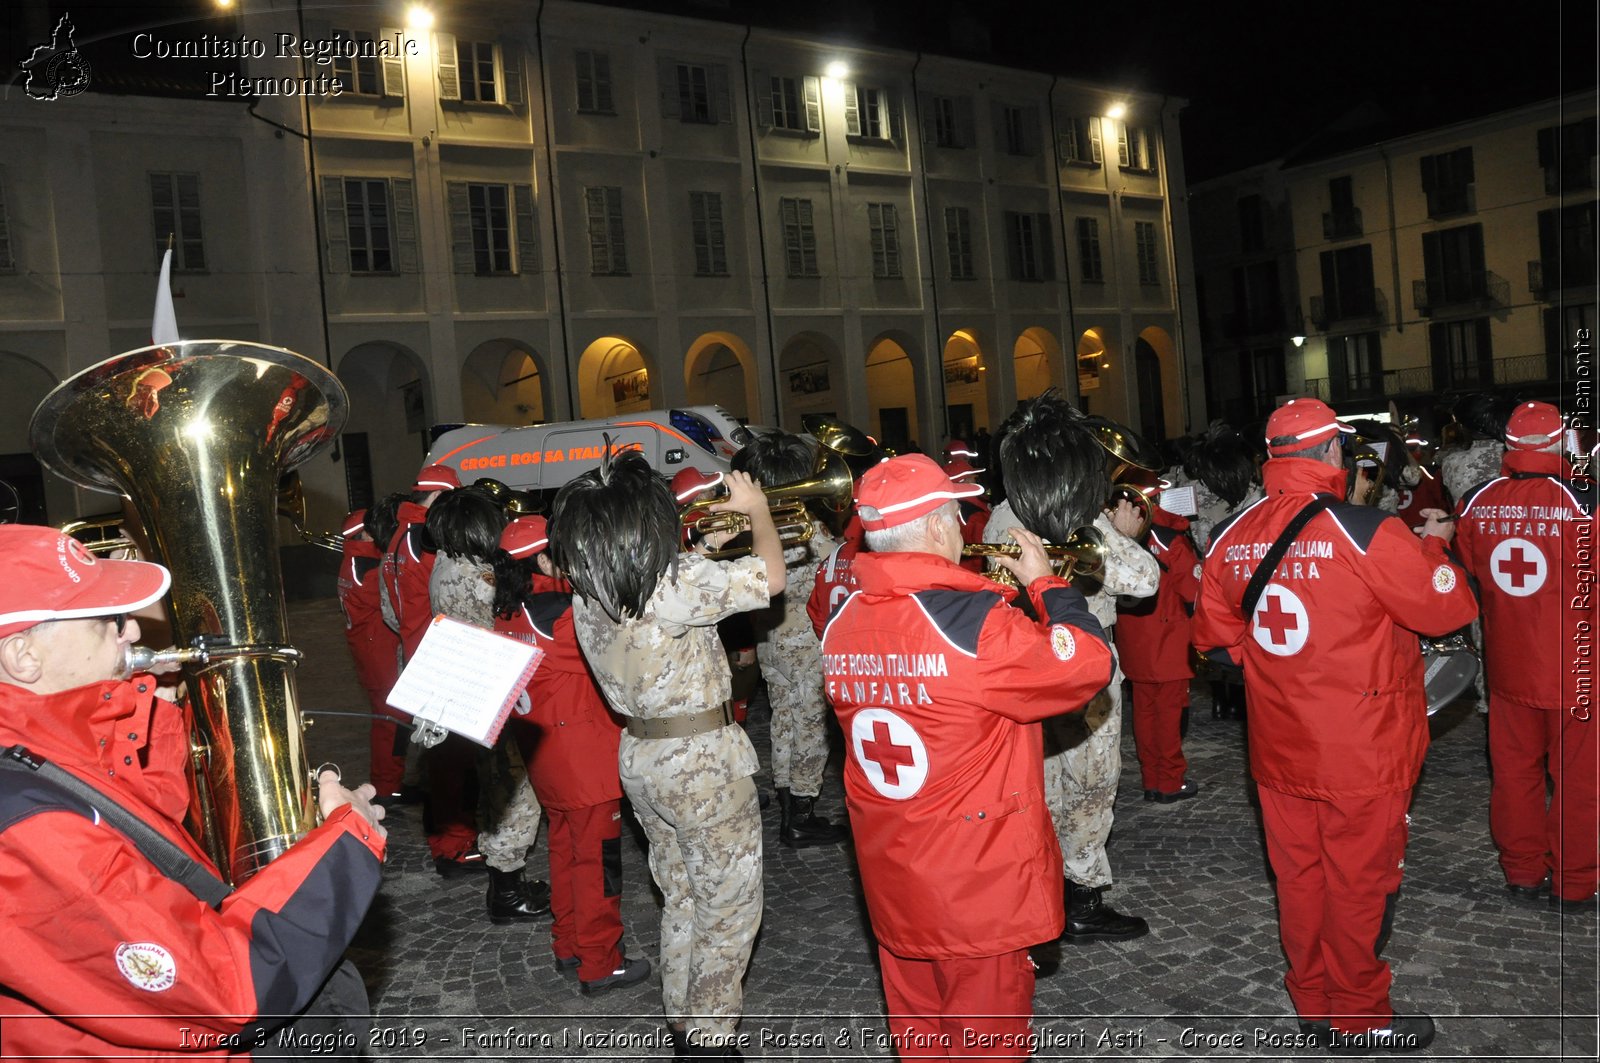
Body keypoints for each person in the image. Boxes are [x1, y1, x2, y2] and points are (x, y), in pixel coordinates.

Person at [0, 526, 387, 1058]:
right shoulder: (25, 827)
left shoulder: (32, 745)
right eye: (108, 621)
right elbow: (220, 996)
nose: (132, 632)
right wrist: (347, 838)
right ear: (23, 656)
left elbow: (140, 835)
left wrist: (149, 710)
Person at [1192, 398, 1478, 1054]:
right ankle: (1360, 1016)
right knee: (1359, 881)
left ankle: (1313, 1000)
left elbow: (1217, 642)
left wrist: (1287, 674)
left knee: (1299, 877)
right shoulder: (1367, 532)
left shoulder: (1230, 537)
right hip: (1363, 748)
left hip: (1278, 747)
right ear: (1328, 455)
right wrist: (1435, 543)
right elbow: (1446, 607)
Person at [820, 454, 1113, 1059]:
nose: (964, 530)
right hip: (977, 885)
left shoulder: (842, 619)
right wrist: (1046, 583)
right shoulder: (972, 624)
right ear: (933, 525)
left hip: (895, 872)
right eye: (956, 517)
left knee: (920, 1037)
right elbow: (1085, 662)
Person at [548, 451, 784, 1059]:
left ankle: (683, 1021)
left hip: (643, 757)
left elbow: (662, 598)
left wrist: (708, 544)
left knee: (680, 893)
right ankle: (710, 1040)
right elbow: (772, 579)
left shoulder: (587, 594)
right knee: (728, 906)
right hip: (702, 760)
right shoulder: (674, 582)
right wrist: (758, 510)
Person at [985, 398, 1158, 943]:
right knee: (1089, 785)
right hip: (1085, 670)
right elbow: (1145, 580)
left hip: (1026, 663)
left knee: (1040, 784)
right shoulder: (1083, 524)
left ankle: (1041, 893)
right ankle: (1080, 899)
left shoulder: (1002, 513)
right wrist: (1113, 527)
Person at [492, 516, 649, 992]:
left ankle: (567, 944)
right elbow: (625, 659)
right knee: (599, 865)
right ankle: (601, 962)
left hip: (546, 760)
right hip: (586, 761)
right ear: (543, 558)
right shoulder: (563, 612)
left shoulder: (509, 612)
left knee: (564, 855)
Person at [1452, 401, 1598, 911]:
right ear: (1564, 443)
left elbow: (1473, 568)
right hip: (1577, 667)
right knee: (1578, 779)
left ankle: (1522, 874)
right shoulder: (1587, 502)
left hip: (1508, 665)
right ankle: (1575, 883)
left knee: (1514, 773)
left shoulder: (1474, 503)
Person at [427, 486, 550, 920]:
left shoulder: (445, 561)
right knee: (513, 791)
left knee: (494, 787)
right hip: (488, 689)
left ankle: (504, 877)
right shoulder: (473, 577)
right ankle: (507, 892)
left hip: (469, 689)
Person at [730, 431, 848, 849]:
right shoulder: (802, 524)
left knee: (782, 723)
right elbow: (835, 562)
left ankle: (786, 809)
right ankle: (801, 815)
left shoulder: (754, 527)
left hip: (769, 638)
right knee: (811, 727)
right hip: (804, 640)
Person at [1115, 498, 1202, 802]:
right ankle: (1169, 781)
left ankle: (1150, 778)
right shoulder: (1170, 539)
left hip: (1132, 641)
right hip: (1168, 643)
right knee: (1168, 716)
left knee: (1144, 714)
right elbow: (1193, 593)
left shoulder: (1115, 535)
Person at [335, 504, 408, 804]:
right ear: (365, 534)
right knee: (392, 725)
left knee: (388, 723)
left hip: (371, 654)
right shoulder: (365, 570)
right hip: (380, 657)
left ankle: (389, 782)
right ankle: (387, 787)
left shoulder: (355, 561)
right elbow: (395, 593)